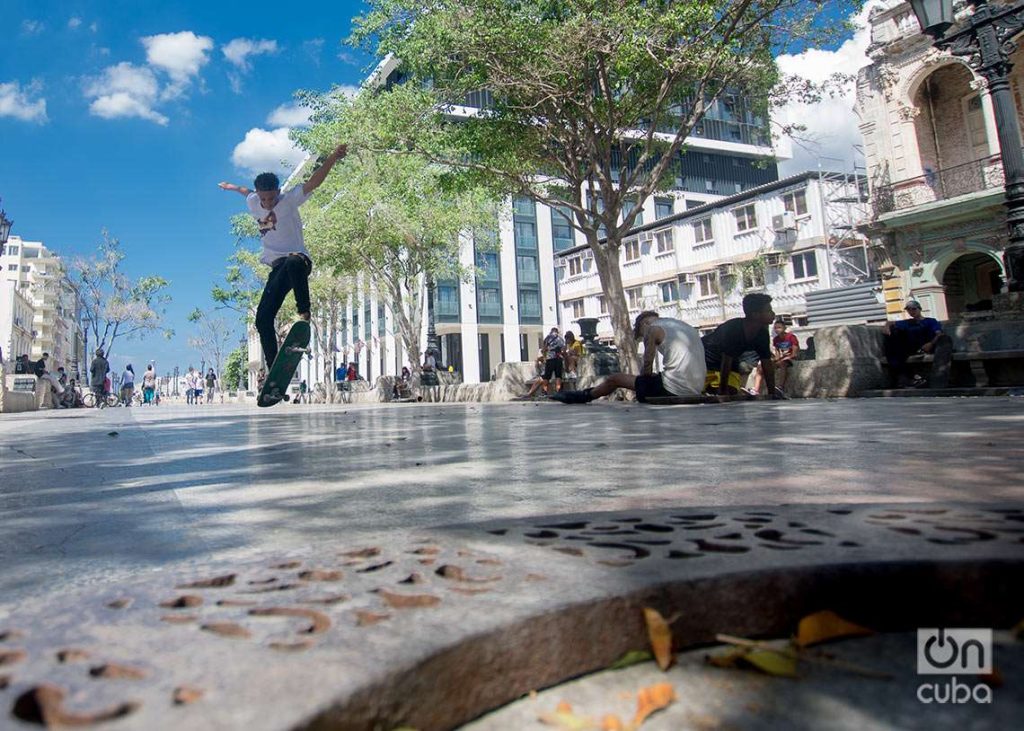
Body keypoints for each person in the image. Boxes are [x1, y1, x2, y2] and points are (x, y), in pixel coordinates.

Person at [219, 142, 349, 369]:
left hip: (299, 262)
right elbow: (245, 191)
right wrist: (229, 186)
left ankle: (303, 312)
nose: (268, 203)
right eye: (264, 199)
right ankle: (272, 368)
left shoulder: (289, 199)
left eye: (271, 198)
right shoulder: (253, 201)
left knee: (292, 260)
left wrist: (333, 158)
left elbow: (313, 182)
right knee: (262, 320)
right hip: (278, 270)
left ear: (278, 192)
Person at [552, 311, 706, 404]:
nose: (643, 337)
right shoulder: (681, 325)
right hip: (696, 387)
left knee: (616, 379)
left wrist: (645, 377)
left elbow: (647, 366)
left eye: (640, 333)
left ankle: (584, 396)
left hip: (673, 389)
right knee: (649, 380)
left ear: (644, 324)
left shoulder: (652, 329)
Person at [701, 293, 780, 398]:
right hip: (707, 357)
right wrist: (723, 392)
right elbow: (726, 360)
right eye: (769, 311)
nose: (773, 314)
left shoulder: (762, 333)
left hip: (731, 361)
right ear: (755, 314)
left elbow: (766, 363)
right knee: (719, 390)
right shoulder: (733, 329)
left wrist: (772, 393)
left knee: (732, 391)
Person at [883, 299, 949, 388]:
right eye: (909, 310)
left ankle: (906, 378)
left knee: (896, 353)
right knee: (894, 338)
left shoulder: (930, 321)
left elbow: (939, 334)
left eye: (914, 309)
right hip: (909, 346)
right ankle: (905, 378)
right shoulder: (907, 322)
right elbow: (889, 323)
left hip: (923, 344)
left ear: (919, 309)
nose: (911, 312)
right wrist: (887, 327)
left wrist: (931, 343)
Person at [749, 321, 800, 395]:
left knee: (782, 364)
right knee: (761, 367)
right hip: (781, 359)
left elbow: (795, 353)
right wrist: (773, 360)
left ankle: (780, 387)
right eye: (775, 328)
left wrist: (785, 358)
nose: (777, 330)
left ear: (784, 328)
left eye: (779, 327)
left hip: (791, 358)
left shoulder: (791, 337)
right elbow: (777, 355)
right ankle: (756, 389)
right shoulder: (776, 339)